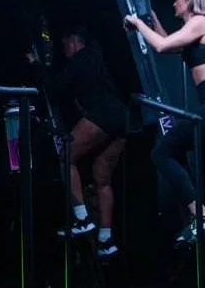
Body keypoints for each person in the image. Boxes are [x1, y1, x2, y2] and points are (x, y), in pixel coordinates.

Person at [124, 0, 205, 270]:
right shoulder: (196, 28)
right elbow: (172, 46)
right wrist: (153, 23)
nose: (174, 3)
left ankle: (200, 216)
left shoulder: (200, 21)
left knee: (161, 153)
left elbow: (161, 46)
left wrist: (136, 24)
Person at [27, 26, 126, 259]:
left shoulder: (81, 59)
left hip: (103, 115)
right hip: (122, 119)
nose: (64, 50)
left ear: (74, 41)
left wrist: (35, 65)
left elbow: (53, 88)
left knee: (66, 155)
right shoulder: (96, 58)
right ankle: (106, 239)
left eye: (64, 45)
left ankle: (82, 218)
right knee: (102, 178)